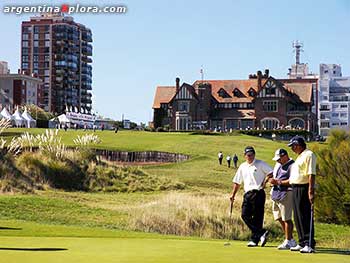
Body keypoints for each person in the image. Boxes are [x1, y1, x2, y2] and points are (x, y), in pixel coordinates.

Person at [230, 146, 273, 247]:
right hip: (247, 194)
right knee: (244, 215)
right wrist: (233, 194)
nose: (250, 157)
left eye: (252, 154)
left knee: (258, 217)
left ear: (254, 155)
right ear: (244, 156)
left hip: (258, 192)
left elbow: (271, 172)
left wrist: (265, 181)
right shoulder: (242, 166)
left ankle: (254, 240)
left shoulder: (260, 163)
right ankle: (262, 232)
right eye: (248, 155)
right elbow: (237, 182)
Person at [288, 136, 316, 253]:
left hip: (304, 188)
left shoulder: (309, 154)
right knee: (297, 216)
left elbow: (311, 174)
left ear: (298, 145)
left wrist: (310, 190)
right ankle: (301, 242)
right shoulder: (300, 156)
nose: (292, 149)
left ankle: (309, 243)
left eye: (293, 146)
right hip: (295, 188)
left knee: (305, 215)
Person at [268, 149, 297, 249]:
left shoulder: (293, 165)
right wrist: (271, 179)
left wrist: (278, 182)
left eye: (279, 159)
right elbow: (275, 175)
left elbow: (293, 180)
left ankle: (288, 240)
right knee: (278, 217)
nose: (278, 161)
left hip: (287, 193)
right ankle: (291, 239)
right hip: (276, 193)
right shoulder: (278, 164)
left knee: (287, 218)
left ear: (285, 156)